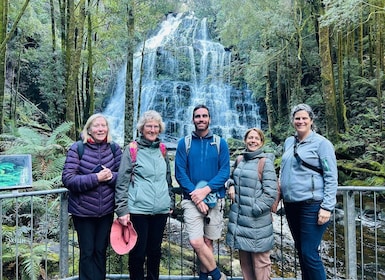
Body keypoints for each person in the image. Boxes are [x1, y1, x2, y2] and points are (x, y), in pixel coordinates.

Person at [280, 103, 338, 280]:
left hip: (312, 205)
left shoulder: (322, 144)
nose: (300, 121)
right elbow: (283, 170)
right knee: (301, 252)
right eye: (297, 118)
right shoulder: (289, 142)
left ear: (311, 120)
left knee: (309, 253)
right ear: (292, 121)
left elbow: (331, 175)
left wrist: (327, 207)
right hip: (291, 205)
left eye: (304, 118)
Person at [115, 110, 174, 280]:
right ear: (142, 128)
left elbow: (168, 178)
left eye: (156, 126)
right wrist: (122, 210)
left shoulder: (162, 150)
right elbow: (122, 182)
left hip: (161, 210)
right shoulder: (132, 149)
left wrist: (170, 202)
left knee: (155, 252)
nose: (152, 129)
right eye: (149, 126)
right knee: (138, 253)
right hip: (138, 209)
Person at [62, 113, 122, 280]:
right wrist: (96, 178)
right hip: (83, 212)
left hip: (106, 211)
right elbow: (68, 179)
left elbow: (124, 177)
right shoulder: (77, 148)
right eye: (96, 125)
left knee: (100, 251)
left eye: (103, 125)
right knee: (87, 252)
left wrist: (111, 177)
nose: (100, 129)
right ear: (88, 129)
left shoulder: (114, 148)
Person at [175, 104, 230, 280]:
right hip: (191, 200)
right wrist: (196, 196)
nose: (201, 119)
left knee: (208, 242)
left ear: (209, 119)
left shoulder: (220, 143)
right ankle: (217, 275)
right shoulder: (184, 143)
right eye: (197, 116)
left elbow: (225, 172)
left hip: (215, 197)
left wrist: (205, 190)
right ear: (193, 119)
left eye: (204, 116)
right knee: (196, 241)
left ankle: (203, 277)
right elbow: (180, 173)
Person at [226, 128, 277, 280]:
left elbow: (270, 193)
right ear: (245, 140)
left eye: (256, 138)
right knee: (245, 264)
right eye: (250, 138)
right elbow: (231, 178)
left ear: (261, 142)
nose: (253, 141)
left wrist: (254, 209)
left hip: (257, 222)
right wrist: (231, 185)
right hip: (239, 221)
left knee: (260, 263)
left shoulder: (265, 162)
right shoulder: (240, 160)